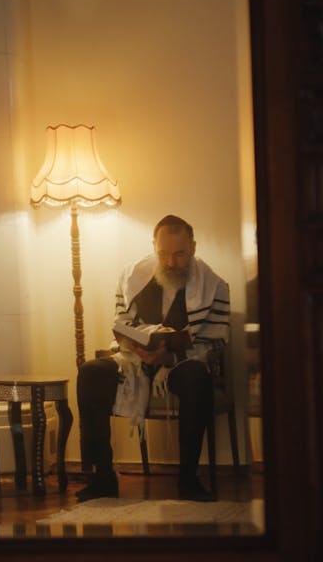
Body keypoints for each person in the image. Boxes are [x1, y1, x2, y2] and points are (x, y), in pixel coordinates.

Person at [76, 214, 230, 502]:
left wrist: (168, 354)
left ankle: (188, 480)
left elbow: (214, 340)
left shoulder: (214, 285)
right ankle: (103, 477)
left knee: (197, 377)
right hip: (133, 359)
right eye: (163, 254)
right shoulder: (132, 275)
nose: (170, 262)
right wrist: (139, 348)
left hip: (180, 363)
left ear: (193, 248)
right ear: (153, 247)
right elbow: (121, 323)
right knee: (91, 371)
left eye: (179, 254)